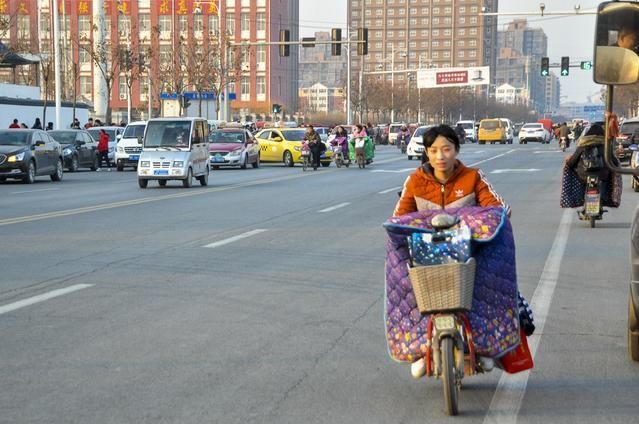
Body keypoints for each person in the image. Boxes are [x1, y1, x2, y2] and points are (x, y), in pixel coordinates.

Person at [393, 124, 532, 377]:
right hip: (427, 255)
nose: (440, 156)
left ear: (456, 150)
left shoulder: (473, 177)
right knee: (408, 292)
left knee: (487, 288)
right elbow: (399, 217)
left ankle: (485, 346)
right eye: (434, 150)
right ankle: (420, 349)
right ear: (427, 152)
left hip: (468, 252)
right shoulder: (414, 181)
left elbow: (498, 209)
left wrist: (484, 221)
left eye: (446, 149)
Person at [565, 123, 619, 216]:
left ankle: (582, 199)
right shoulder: (605, 145)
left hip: (584, 174)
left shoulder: (583, 144)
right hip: (602, 174)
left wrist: (569, 164)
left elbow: (573, 160)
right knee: (607, 179)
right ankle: (604, 199)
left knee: (581, 181)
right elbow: (614, 161)